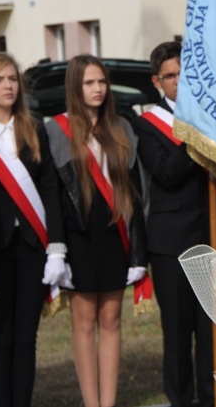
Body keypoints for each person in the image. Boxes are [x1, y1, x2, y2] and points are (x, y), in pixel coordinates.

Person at [131, 41, 216, 407]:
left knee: (214, 329)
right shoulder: (146, 123)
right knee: (179, 336)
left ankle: (214, 398)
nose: (180, 81)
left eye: (185, 72)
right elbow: (166, 174)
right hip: (171, 245)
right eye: (171, 75)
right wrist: (197, 134)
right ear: (157, 81)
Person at [44, 54, 147, 407]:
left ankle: (108, 402)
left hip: (115, 237)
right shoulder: (55, 131)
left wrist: (138, 253)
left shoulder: (122, 128)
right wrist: (57, 249)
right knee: (85, 321)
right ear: (75, 86)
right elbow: (52, 196)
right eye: (89, 82)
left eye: (102, 81)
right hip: (77, 240)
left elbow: (134, 196)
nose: (98, 88)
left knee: (111, 320)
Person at [0, 52, 68, 407]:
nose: (8, 86)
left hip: (31, 247)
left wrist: (56, 248)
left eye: (12, 79)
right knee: (0, 336)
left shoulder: (34, 128)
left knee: (27, 338)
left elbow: (50, 190)